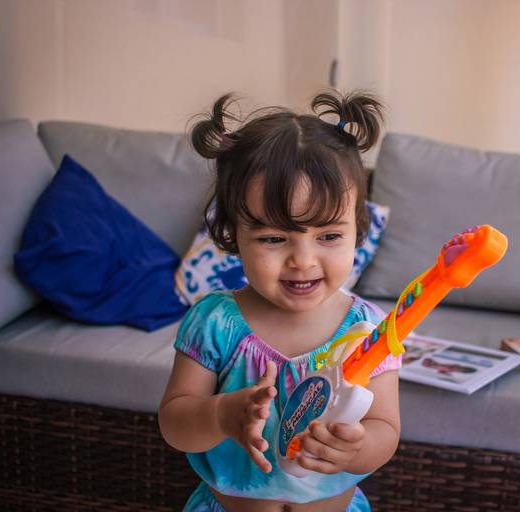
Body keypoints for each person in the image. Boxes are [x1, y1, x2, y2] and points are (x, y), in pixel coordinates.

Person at [158, 90, 401, 512]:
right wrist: (218, 417)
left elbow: (386, 428)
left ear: (356, 230)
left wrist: (356, 449)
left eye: (328, 236)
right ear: (233, 234)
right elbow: (174, 423)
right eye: (273, 238)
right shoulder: (215, 322)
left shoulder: (370, 330)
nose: (303, 261)